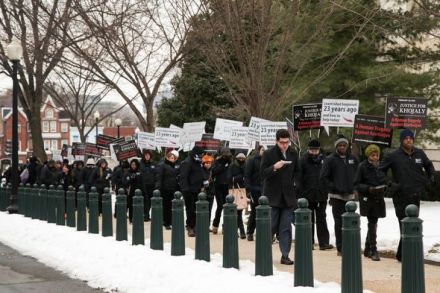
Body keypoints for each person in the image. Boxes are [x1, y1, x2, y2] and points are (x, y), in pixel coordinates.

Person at [379, 129, 435, 262]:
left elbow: (428, 165)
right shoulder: (394, 155)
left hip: (415, 194)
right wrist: (390, 183)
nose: (409, 140)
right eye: (406, 138)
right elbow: (380, 171)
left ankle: (402, 254)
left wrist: (430, 177)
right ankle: (406, 254)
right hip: (400, 195)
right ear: (402, 140)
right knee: (404, 224)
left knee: (413, 224)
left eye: (411, 138)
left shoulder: (419, 153)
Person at [261, 129, 300, 265]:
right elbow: (263, 173)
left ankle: (285, 255)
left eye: (287, 142)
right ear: (276, 141)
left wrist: (295, 184)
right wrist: (274, 167)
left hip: (288, 197)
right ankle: (264, 253)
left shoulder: (293, 153)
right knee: (271, 226)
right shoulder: (268, 154)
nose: (284, 145)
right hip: (272, 197)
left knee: (285, 228)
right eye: (282, 142)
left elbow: (297, 172)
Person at [320, 134, 359, 255]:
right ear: (336, 146)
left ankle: (350, 244)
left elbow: (358, 174)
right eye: (340, 145)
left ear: (347, 146)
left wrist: (355, 187)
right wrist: (334, 187)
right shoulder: (330, 159)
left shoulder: (352, 159)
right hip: (336, 197)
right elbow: (323, 178)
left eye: (344, 145)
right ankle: (340, 248)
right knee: (339, 222)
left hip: (350, 196)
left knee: (350, 222)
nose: (342, 147)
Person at [354, 144, 387, 261]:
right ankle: (373, 248)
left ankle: (368, 248)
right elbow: (357, 184)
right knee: (372, 222)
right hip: (367, 199)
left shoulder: (381, 166)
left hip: (379, 197)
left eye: (377, 155)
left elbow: (385, 179)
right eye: (373, 155)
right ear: (368, 155)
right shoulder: (362, 166)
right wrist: (368, 189)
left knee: (374, 222)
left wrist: (385, 186)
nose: (375, 157)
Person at [299, 139, 333, 250]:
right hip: (307, 194)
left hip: (321, 194)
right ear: (309, 149)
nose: (314, 152)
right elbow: (299, 178)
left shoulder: (325, 160)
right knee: (309, 219)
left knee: (321, 218)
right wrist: (301, 192)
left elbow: (329, 176)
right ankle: (309, 242)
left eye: (316, 150)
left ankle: (323, 243)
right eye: (312, 150)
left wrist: (327, 188)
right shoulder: (303, 160)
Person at [179, 146, 205, 237]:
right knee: (190, 209)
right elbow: (183, 177)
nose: (201, 157)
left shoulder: (198, 162)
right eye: (200, 155)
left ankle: (194, 226)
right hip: (189, 190)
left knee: (195, 209)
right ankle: (190, 226)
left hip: (197, 189)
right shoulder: (187, 162)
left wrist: (204, 181)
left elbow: (200, 172)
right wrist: (186, 190)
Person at [211, 147, 233, 234]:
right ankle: (215, 225)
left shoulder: (231, 162)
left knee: (227, 207)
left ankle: (225, 226)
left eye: (227, 155)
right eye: (224, 155)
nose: (226, 157)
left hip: (227, 187)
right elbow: (214, 172)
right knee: (220, 206)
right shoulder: (217, 161)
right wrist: (223, 165)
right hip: (218, 186)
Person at [156, 150, 180, 229]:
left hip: (173, 189)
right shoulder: (163, 165)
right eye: (171, 158)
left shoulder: (176, 166)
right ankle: (166, 222)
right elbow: (160, 177)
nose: (172, 159)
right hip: (165, 189)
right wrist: (159, 187)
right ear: (168, 158)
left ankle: (171, 221)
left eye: (174, 158)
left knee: (172, 206)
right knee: (166, 206)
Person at [244, 145, 264, 241]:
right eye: (263, 149)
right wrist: (248, 189)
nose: (264, 151)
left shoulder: (268, 160)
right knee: (255, 211)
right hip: (255, 189)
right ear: (259, 150)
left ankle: (263, 232)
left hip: (265, 189)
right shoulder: (252, 160)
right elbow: (247, 175)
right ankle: (250, 232)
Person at [229, 152, 247, 239]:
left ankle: (235, 231)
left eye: (243, 158)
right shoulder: (232, 166)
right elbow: (229, 178)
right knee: (236, 212)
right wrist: (240, 177)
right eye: (239, 158)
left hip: (242, 191)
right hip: (234, 190)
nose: (241, 160)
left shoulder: (246, 166)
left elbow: (247, 178)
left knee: (239, 212)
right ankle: (241, 232)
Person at [124, 159, 143, 223]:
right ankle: (131, 219)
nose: (133, 166)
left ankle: (137, 218)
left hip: (138, 191)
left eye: (135, 165)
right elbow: (125, 183)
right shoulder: (128, 172)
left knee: (138, 205)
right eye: (132, 164)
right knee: (131, 206)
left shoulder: (139, 172)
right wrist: (131, 179)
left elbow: (142, 182)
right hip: (131, 191)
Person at [140, 149, 156, 221]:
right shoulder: (140, 164)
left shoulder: (153, 164)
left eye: (148, 155)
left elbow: (156, 173)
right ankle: (144, 215)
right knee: (145, 200)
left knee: (150, 200)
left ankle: (147, 215)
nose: (147, 156)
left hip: (152, 185)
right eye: (146, 155)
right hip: (143, 185)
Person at [201, 154, 215, 224]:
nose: (208, 164)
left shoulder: (212, 171)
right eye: (206, 163)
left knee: (209, 210)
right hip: (203, 193)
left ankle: (207, 224)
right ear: (203, 163)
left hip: (211, 192)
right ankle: (202, 223)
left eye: (209, 163)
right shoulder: (200, 171)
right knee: (202, 210)